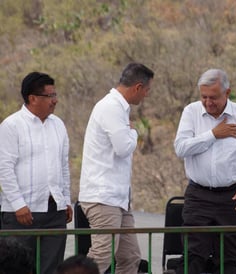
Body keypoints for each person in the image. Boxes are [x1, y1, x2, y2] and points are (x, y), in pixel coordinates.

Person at [174, 68, 236, 274]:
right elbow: (181, 148)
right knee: (193, 255)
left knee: (229, 257)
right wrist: (213, 134)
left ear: (227, 92)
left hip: (231, 195)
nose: (208, 102)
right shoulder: (191, 112)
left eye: (213, 97)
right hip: (198, 195)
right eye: (203, 97)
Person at [78, 62, 154, 274]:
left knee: (130, 258)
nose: (146, 95)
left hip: (119, 198)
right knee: (101, 256)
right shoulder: (111, 107)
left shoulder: (118, 107)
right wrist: (134, 132)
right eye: (147, 90)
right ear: (138, 87)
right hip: (104, 197)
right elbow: (123, 147)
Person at [0, 72, 72, 274]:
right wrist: (18, 205)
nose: (55, 100)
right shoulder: (12, 125)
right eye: (50, 96)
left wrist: (65, 199)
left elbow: (63, 166)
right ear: (33, 98)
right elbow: (4, 168)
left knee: (52, 268)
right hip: (22, 213)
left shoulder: (58, 124)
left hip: (54, 211)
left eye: (55, 94)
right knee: (17, 267)